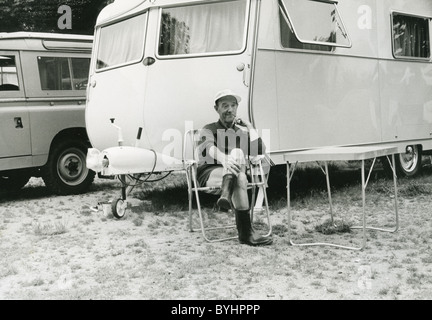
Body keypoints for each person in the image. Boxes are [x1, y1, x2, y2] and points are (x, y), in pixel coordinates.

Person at [196, 89, 272, 246]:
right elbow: (208, 147)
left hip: (236, 175)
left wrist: (250, 126)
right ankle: (246, 233)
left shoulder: (241, 132)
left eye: (233, 105)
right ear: (216, 109)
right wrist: (224, 159)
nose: (229, 109)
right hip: (210, 173)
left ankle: (226, 194)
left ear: (237, 108)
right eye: (224, 105)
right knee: (240, 173)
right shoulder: (208, 129)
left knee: (239, 170)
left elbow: (260, 150)